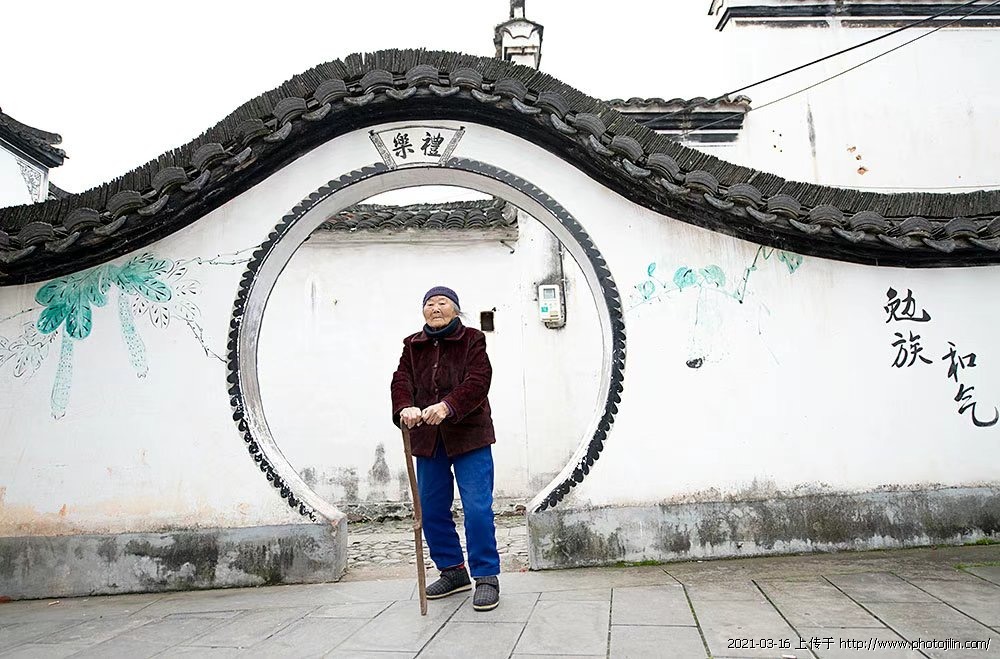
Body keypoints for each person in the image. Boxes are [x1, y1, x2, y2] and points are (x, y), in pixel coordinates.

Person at [390, 286, 501, 611]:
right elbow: (401, 381)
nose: (435, 308)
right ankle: (453, 571)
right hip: (428, 438)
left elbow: (478, 380)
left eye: (442, 302)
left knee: (477, 508)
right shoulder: (412, 345)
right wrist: (405, 407)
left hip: (469, 436)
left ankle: (486, 576)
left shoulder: (472, 339)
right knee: (431, 509)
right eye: (429, 303)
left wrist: (448, 406)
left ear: (456, 309)